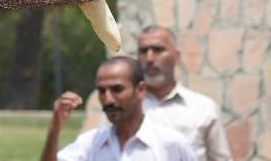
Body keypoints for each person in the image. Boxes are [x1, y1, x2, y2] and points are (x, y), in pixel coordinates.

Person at [82, 26, 232, 161]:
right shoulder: (122, 107)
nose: (150, 58)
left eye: (158, 50)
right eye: (143, 51)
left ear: (177, 56)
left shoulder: (203, 109)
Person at [40, 56, 197, 161]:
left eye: (117, 89)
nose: (108, 99)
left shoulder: (172, 145)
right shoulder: (91, 144)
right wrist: (55, 128)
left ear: (141, 90)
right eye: (102, 91)